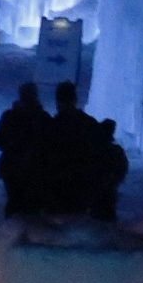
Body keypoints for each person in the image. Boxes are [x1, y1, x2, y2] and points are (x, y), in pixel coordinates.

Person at [0, 82, 50, 218]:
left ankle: (11, 233)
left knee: (14, 203)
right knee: (32, 207)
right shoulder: (43, 118)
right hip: (34, 168)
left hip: (11, 168)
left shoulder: (9, 116)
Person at [42, 80, 98, 213]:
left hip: (58, 188)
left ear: (58, 101)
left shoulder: (52, 126)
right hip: (81, 186)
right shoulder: (89, 124)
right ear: (75, 99)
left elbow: (42, 157)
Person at [88, 118, 129, 221]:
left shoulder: (95, 149)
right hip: (109, 190)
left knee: (97, 216)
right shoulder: (116, 151)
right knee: (107, 215)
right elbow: (123, 169)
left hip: (97, 190)